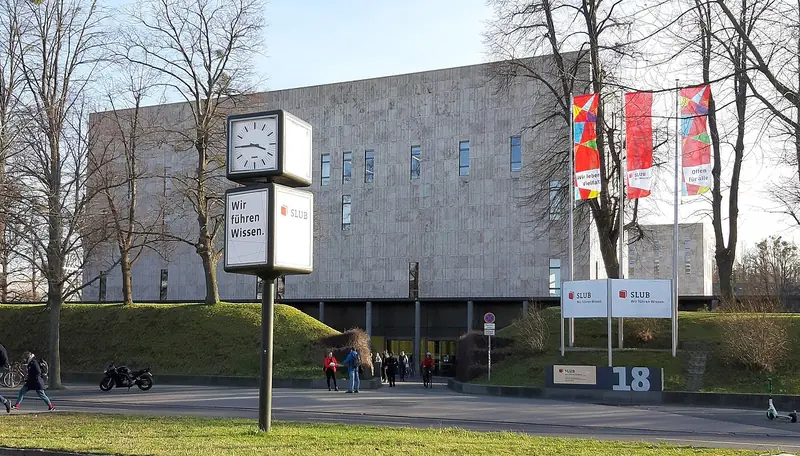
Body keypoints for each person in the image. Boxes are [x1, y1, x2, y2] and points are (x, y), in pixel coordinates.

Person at [0, 343, 10, 413]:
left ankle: (5, 401)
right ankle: (5, 401)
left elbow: (4, 360)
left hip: (1, 368)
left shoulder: (0, 348)